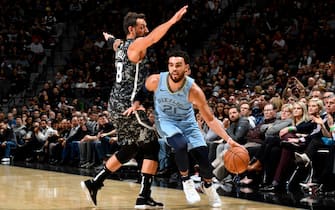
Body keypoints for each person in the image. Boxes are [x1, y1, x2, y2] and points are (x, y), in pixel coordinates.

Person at [81, 6, 188, 209]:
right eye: (141, 27)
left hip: (114, 103)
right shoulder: (136, 45)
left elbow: (114, 42)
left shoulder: (121, 46)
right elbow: (155, 37)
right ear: (132, 30)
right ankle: (143, 197)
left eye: (146, 26)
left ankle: (95, 183)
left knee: (132, 146)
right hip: (127, 106)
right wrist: (173, 20)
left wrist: (109, 39)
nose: (146, 30)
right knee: (153, 145)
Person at [127, 50, 241, 207]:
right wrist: (136, 105)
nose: (174, 69)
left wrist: (229, 139)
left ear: (186, 68)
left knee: (204, 160)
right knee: (180, 144)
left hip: (188, 124)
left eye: (178, 65)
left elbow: (211, 119)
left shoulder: (194, 90)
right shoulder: (156, 80)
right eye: (171, 65)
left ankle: (207, 186)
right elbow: (142, 91)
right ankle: (186, 181)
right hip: (166, 122)